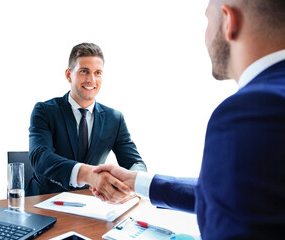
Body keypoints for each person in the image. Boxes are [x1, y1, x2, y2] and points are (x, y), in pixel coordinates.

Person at [92, 0, 285, 239]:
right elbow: (244, 194)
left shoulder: (249, 111)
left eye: (207, 20)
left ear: (228, 21)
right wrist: (137, 181)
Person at [27, 43, 146, 199]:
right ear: (69, 75)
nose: (91, 80)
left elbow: (135, 162)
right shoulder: (44, 111)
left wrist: (130, 184)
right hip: (44, 201)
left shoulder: (114, 118)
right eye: (84, 71)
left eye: (97, 73)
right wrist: (90, 175)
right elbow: (41, 158)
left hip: (91, 203)